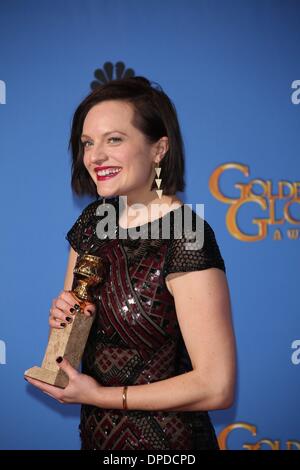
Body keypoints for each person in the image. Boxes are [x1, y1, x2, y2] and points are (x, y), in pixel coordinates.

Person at [26, 76, 236, 450]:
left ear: (159, 149)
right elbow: (67, 360)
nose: (95, 156)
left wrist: (98, 397)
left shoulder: (186, 235)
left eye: (114, 140)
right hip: (97, 441)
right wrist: (65, 322)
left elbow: (216, 386)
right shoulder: (92, 224)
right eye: (88, 143)